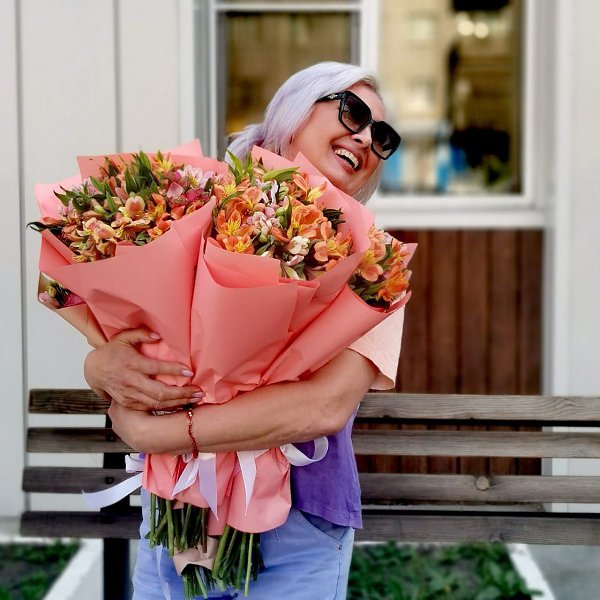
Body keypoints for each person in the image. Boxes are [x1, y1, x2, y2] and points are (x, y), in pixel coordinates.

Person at [84, 61, 405, 599]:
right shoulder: (192, 208)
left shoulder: (374, 265)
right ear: (295, 111)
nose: (365, 139)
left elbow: (323, 407)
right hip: (176, 511)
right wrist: (100, 364)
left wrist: (155, 434)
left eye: (383, 136)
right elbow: (140, 341)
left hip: (300, 524)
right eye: (352, 112)